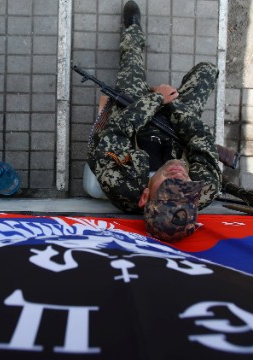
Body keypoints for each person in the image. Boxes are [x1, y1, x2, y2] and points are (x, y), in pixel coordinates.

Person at [87, 0, 221, 243]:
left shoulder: (120, 184)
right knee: (207, 71)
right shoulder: (203, 191)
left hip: (133, 116)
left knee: (131, 63)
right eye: (186, 186)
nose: (179, 174)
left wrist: (156, 98)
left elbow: (117, 129)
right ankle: (171, 92)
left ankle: (132, 28)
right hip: (177, 124)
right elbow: (201, 140)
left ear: (145, 196)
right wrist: (173, 105)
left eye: (170, 183)